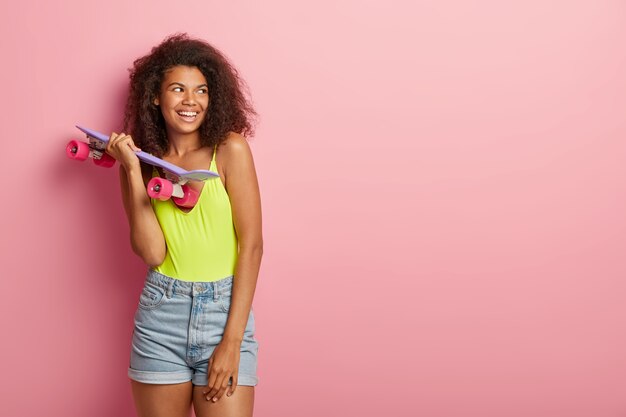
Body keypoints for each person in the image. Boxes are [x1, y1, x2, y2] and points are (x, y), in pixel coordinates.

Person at [105, 33, 262, 417]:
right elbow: (152, 252)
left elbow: (252, 245)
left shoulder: (230, 149)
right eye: (178, 89)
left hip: (224, 311)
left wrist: (231, 341)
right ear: (156, 97)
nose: (191, 101)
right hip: (162, 314)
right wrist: (130, 169)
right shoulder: (141, 161)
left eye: (201, 90)